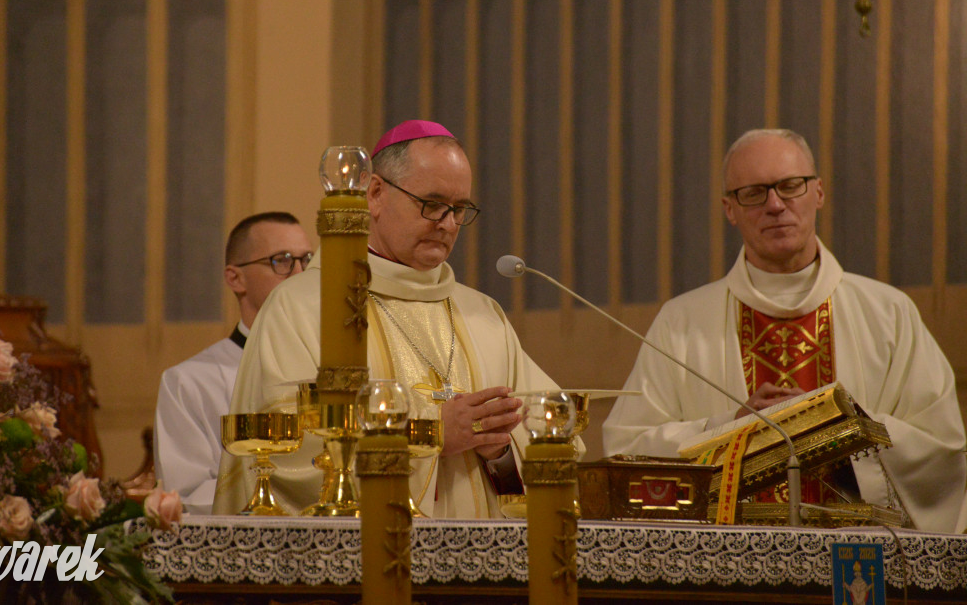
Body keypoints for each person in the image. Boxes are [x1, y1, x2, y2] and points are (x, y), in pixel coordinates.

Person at [603, 128, 967, 533]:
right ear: (729, 209)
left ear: (819, 193)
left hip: (858, 561)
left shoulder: (889, 313)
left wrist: (841, 427)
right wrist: (729, 427)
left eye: (790, 186)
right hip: (730, 562)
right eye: (754, 193)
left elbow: (943, 452)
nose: (775, 205)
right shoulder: (681, 322)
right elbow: (627, 452)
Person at [213, 120, 575, 518]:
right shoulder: (302, 307)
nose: (448, 224)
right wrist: (431, 435)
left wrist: (501, 450)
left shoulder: (483, 317)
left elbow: (556, 443)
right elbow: (282, 456)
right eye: (432, 204)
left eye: (460, 209)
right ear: (375, 194)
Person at [153, 212, 314, 514]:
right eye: (282, 261)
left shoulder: (326, 372)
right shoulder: (188, 382)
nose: (299, 274)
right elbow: (187, 492)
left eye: (307, 260)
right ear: (235, 278)